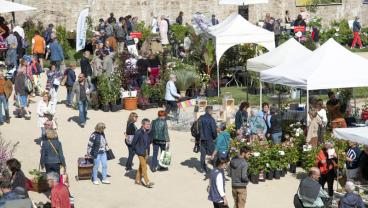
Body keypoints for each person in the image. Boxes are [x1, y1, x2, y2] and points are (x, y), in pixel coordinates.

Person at [131, 118, 154, 188]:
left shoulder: (148, 132)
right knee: (144, 166)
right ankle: (147, 182)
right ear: (143, 125)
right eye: (147, 124)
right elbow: (133, 143)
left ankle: (137, 180)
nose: (148, 125)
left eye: (149, 124)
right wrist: (136, 151)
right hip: (140, 152)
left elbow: (149, 142)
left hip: (146, 152)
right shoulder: (138, 132)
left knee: (141, 166)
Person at [199, 106, 217, 172]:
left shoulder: (200, 118)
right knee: (214, 153)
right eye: (212, 111)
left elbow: (197, 128)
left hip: (201, 138)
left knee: (203, 154)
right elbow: (214, 130)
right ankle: (215, 168)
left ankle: (202, 168)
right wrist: (215, 137)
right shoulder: (211, 119)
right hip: (209, 139)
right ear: (210, 111)